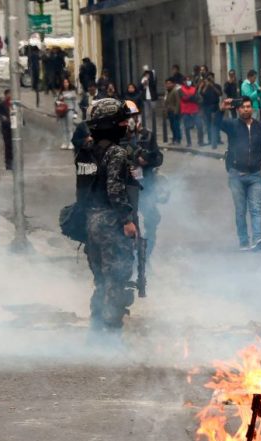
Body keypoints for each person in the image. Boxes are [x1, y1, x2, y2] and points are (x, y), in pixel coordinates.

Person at [81, 98, 138, 333]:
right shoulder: (115, 152)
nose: (126, 124)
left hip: (90, 221)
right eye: (122, 121)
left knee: (101, 280)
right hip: (110, 222)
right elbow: (114, 189)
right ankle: (112, 336)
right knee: (116, 279)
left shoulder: (87, 150)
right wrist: (127, 220)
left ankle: (96, 329)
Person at [219, 96, 261, 251]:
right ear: (238, 109)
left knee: (256, 208)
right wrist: (221, 109)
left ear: (252, 108)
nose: (246, 109)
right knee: (240, 210)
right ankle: (243, 240)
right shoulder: (233, 125)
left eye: (248, 106)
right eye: (243, 107)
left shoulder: (260, 127)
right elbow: (216, 123)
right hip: (236, 174)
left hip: (255, 174)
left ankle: (257, 238)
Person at [122, 101, 165, 256]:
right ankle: (132, 259)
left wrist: (148, 160)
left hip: (146, 186)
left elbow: (159, 158)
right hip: (127, 189)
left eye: (134, 116)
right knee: (131, 224)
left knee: (152, 220)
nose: (131, 120)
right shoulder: (117, 139)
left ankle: (146, 257)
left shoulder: (146, 135)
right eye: (127, 117)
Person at [199, 72, 223, 148]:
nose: (210, 80)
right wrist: (206, 85)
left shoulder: (217, 86)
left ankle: (218, 139)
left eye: (211, 78)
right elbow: (201, 93)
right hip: (206, 107)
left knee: (217, 123)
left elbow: (220, 94)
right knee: (208, 124)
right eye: (208, 78)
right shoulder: (204, 86)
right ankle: (210, 139)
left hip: (215, 107)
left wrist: (212, 86)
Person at [180, 75, 204, 147]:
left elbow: (199, 99)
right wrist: (192, 97)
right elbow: (184, 98)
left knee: (199, 126)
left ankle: (200, 141)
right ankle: (189, 142)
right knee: (187, 127)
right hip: (185, 111)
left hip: (195, 110)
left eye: (189, 80)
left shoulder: (194, 89)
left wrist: (191, 97)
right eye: (187, 80)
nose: (188, 82)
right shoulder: (181, 89)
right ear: (184, 81)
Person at [0, 89, 13, 169]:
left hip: (13, 127)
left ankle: (13, 160)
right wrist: (2, 117)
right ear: (6, 95)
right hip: (6, 127)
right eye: (8, 94)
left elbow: (18, 112)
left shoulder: (13, 103)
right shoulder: (2, 104)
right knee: (8, 145)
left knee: (14, 145)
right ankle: (8, 163)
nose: (10, 96)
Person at [57, 78, 77, 150]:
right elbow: (57, 101)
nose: (65, 84)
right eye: (64, 82)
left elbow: (75, 103)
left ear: (69, 83)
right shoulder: (60, 92)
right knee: (63, 128)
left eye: (67, 82)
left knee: (70, 128)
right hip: (62, 111)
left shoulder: (72, 92)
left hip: (70, 110)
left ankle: (71, 143)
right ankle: (65, 142)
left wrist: (75, 112)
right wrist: (59, 102)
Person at [140, 65, 159, 133]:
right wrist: (144, 84)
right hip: (145, 99)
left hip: (152, 98)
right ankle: (148, 128)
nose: (146, 75)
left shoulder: (152, 78)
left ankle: (154, 128)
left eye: (147, 73)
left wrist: (149, 80)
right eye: (145, 74)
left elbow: (154, 85)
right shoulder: (143, 79)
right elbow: (140, 88)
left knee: (153, 113)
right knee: (146, 114)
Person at [164, 77, 182, 145]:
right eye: (167, 83)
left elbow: (178, 102)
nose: (168, 85)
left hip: (174, 111)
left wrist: (176, 111)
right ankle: (174, 138)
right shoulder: (167, 92)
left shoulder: (175, 91)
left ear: (173, 84)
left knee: (176, 125)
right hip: (169, 111)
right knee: (172, 126)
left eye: (169, 83)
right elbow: (166, 101)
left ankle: (178, 139)